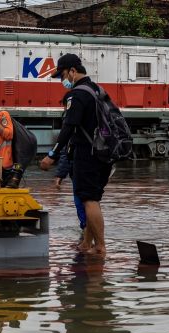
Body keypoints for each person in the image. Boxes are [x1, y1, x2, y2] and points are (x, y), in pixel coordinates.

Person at [40, 53, 113, 256]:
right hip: (102, 153)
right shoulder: (97, 89)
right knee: (89, 198)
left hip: (87, 153)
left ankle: (100, 247)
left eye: (63, 74)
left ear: (73, 71)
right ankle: (86, 244)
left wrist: (52, 155)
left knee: (89, 200)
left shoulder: (77, 94)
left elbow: (69, 127)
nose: (63, 80)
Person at [55, 95, 86, 232]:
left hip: (78, 166)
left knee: (80, 200)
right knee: (90, 201)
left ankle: (86, 230)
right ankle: (89, 233)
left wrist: (60, 174)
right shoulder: (87, 119)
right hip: (89, 165)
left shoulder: (70, 122)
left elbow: (66, 149)